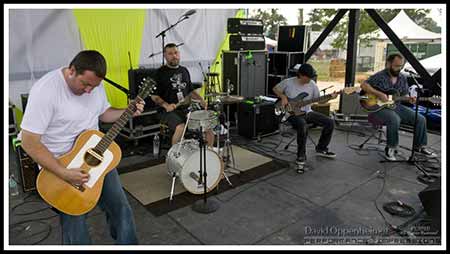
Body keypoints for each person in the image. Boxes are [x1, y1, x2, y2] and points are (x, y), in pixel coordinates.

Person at [19, 50, 142, 244]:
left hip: (96, 156)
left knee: (121, 208)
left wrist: (127, 112)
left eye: (94, 86)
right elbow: (29, 141)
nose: (88, 91)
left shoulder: (95, 86)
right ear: (72, 70)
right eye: (85, 84)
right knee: (75, 224)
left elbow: (104, 114)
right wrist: (63, 172)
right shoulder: (46, 90)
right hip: (60, 166)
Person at [360, 53, 437, 161]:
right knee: (394, 119)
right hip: (378, 107)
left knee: (421, 119)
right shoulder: (380, 76)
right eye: (396, 66)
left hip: (395, 105)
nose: (398, 68)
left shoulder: (402, 78)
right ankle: (391, 148)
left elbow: (403, 95)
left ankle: (420, 147)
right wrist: (379, 94)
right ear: (388, 64)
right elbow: (363, 85)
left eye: (400, 66)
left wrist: (409, 99)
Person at [273, 63, 338, 173]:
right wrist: (283, 97)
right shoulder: (288, 82)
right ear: (301, 75)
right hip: (291, 114)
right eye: (308, 77)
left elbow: (318, 100)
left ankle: (321, 148)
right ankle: (301, 156)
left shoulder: (312, 84)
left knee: (329, 122)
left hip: (307, 112)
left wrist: (330, 97)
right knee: (302, 125)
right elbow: (275, 88)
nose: (310, 79)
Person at [151, 43, 214, 146]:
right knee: (181, 127)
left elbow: (190, 90)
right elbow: (154, 96)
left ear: (179, 54)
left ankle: (209, 153)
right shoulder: (159, 73)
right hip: (166, 111)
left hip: (185, 108)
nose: (174, 56)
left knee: (208, 127)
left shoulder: (184, 70)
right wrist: (166, 105)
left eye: (176, 53)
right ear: (165, 56)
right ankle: (175, 157)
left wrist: (201, 100)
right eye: (170, 53)